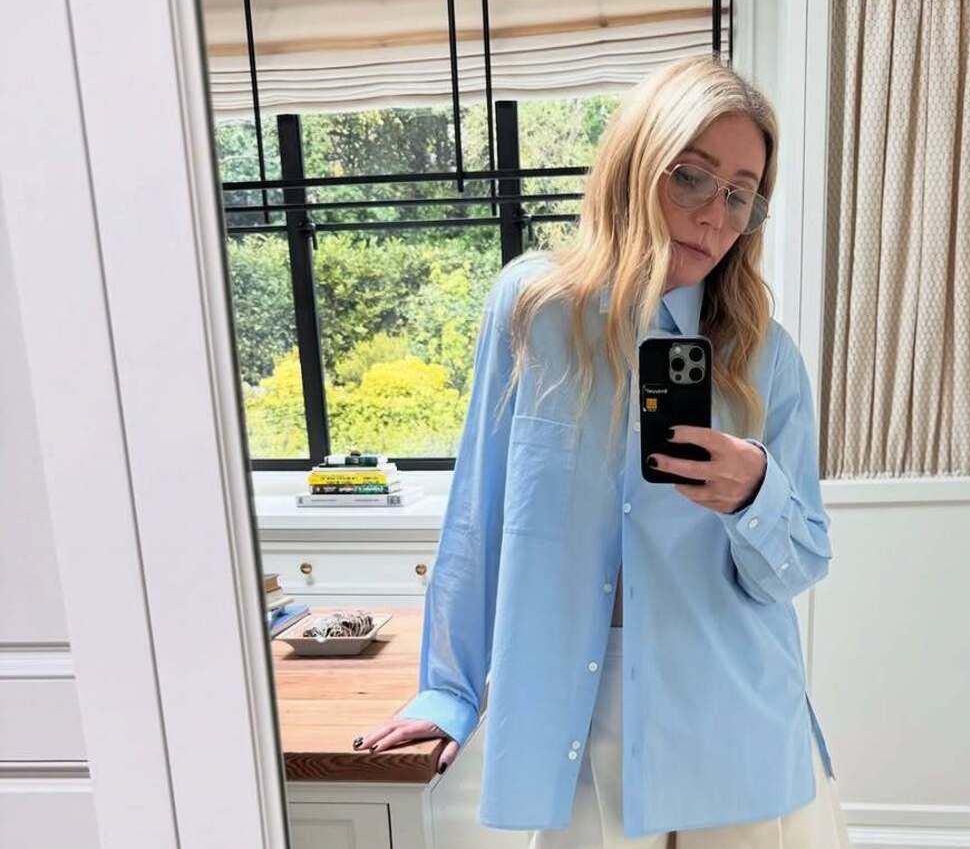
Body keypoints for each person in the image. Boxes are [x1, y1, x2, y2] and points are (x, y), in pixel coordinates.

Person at [354, 54, 850, 847]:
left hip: (737, 723)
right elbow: (481, 514)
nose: (714, 216)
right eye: (692, 177)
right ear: (636, 166)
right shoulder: (535, 310)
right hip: (577, 716)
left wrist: (756, 494)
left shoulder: (766, 356)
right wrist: (449, 690)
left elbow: (799, 565)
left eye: (740, 193)